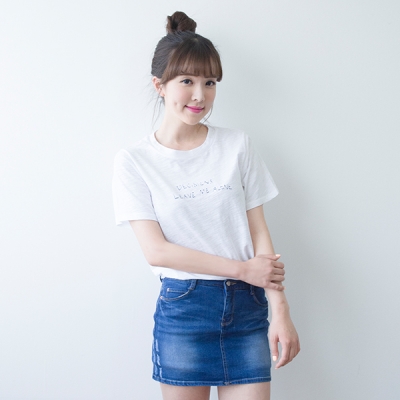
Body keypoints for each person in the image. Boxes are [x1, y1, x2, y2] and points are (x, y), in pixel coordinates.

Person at [112, 11, 300, 400]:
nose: (200, 95)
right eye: (187, 81)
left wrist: (280, 308)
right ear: (160, 85)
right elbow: (157, 251)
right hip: (185, 311)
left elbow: (259, 232)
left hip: (248, 308)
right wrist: (243, 269)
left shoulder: (236, 145)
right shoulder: (135, 161)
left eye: (209, 82)